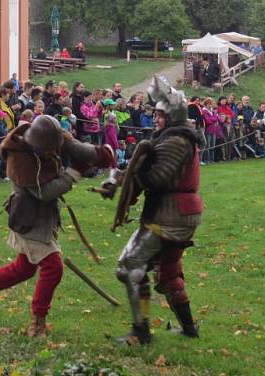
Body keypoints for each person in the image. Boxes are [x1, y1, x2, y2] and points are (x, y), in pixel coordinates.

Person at [0, 115, 113, 337]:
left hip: (43, 216)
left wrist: (99, 153)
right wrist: (76, 171)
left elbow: (75, 147)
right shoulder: (19, 158)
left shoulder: (49, 135)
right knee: (53, 267)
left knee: (24, 268)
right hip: (29, 218)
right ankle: (37, 323)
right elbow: (45, 192)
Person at [101, 75, 203, 344]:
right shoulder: (173, 137)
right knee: (168, 274)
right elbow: (142, 168)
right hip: (178, 212)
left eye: (159, 115)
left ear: (171, 116)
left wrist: (128, 179)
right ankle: (189, 328)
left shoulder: (177, 140)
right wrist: (117, 179)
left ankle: (141, 330)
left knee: (129, 265)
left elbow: (156, 177)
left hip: (170, 215)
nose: (156, 119)